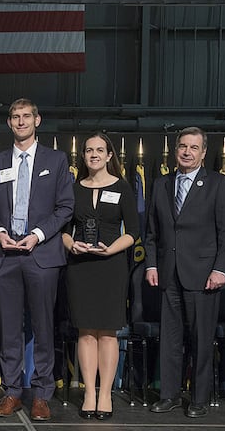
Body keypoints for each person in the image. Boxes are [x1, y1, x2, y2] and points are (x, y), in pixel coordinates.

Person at [0, 98, 73, 421]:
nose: (21, 122)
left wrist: (36, 234)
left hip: (41, 255)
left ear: (38, 120)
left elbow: (65, 207)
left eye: (26, 117)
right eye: (15, 117)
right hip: (5, 257)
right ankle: (12, 392)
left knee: (43, 328)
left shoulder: (57, 160)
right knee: (9, 330)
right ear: (9, 123)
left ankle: (42, 394)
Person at [144, 127, 225, 418]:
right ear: (175, 150)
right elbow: (151, 232)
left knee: (200, 339)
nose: (187, 152)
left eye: (194, 147)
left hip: (204, 275)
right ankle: (169, 395)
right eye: (183, 146)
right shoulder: (161, 183)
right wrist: (151, 264)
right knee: (170, 339)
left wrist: (221, 269)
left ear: (204, 152)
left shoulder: (219, 185)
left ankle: (198, 397)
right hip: (168, 274)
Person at [61, 132, 138, 420]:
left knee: (107, 332)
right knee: (85, 331)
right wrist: (72, 244)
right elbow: (63, 230)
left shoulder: (123, 187)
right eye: (89, 150)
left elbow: (133, 231)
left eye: (99, 150)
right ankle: (89, 393)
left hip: (111, 265)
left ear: (109, 156)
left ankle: (105, 393)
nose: (93, 154)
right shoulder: (73, 188)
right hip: (80, 267)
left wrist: (110, 250)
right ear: (83, 156)